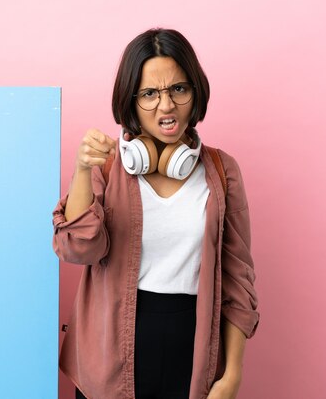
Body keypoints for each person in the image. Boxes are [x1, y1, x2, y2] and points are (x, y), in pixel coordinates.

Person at [52, 28, 259, 399]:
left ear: (195, 92)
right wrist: (82, 170)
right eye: (149, 94)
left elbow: (238, 280)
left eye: (178, 89)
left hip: (192, 358)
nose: (166, 106)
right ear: (130, 102)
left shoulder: (222, 172)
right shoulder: (106, 167)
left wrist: (231, 375)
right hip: (109, 359)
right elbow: (77, 250)